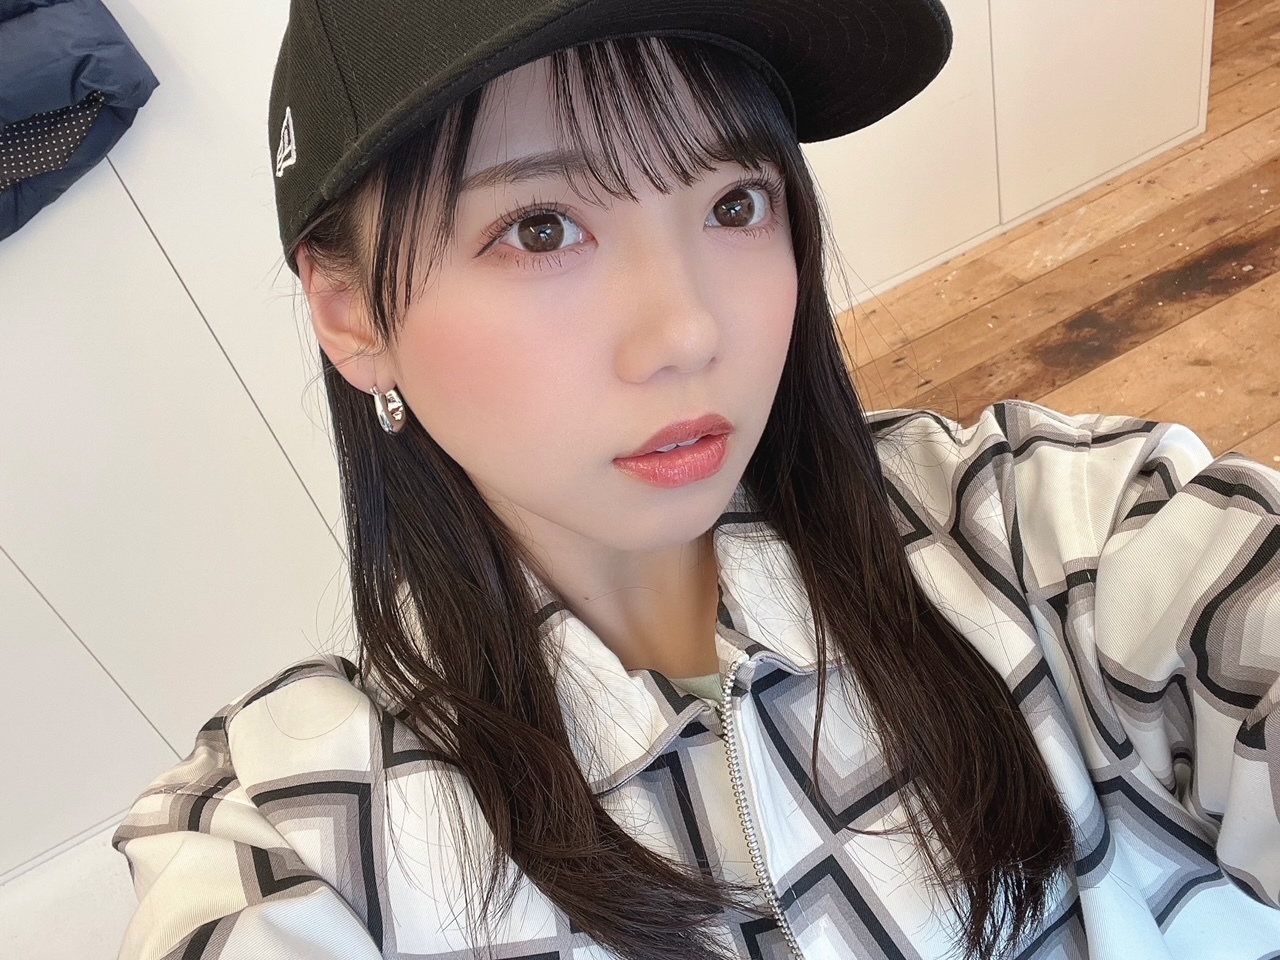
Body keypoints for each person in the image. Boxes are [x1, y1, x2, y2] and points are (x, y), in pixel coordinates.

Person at [110, 0, 1280, 957]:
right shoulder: (304, 837)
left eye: (733, 203)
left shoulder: (1024, 535)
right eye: (539, 228)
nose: (686, 331)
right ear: (348, 311)